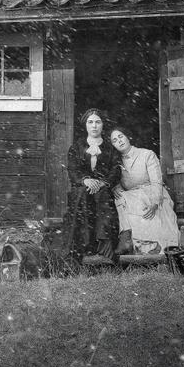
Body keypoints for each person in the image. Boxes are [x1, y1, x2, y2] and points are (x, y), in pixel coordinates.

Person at [58, 108, 122, 265]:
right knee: (83, 195)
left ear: (102, 125)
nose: (94, 126)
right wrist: (85, 180)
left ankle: (104, 247)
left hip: (103, 188)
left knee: (104, 197)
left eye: (98, 122)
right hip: (82, 188)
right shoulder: (77, 147)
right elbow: (72, 171)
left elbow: (116, 170)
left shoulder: (110, 148)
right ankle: (84, 245)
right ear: (85, 125)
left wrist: (102, 183)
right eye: (90, 122)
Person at [109, 126, 180, 255]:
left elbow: (156, 181)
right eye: (114, 140)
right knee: (120, 197)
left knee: (157, 211)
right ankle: (127, 238)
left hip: (152, 193)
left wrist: (155, 201)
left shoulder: (147, 154)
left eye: (120, 136)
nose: (119, 141)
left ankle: (156, 245)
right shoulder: (115, 162)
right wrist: (116, 187)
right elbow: (113, 178)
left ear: (127, 136)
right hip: (132, 197)